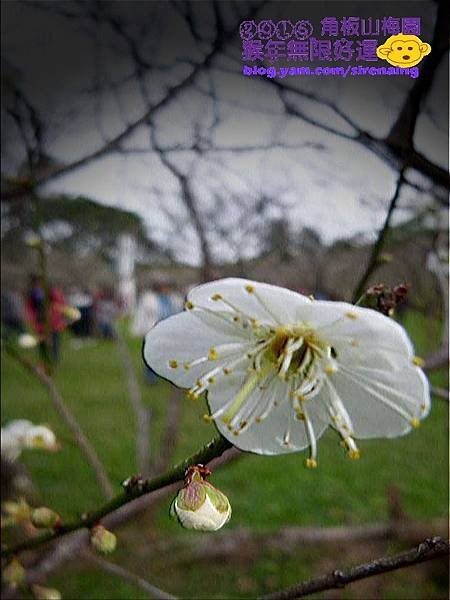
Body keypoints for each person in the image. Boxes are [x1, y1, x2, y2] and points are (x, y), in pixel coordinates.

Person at [131, 277, 183, 383]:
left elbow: (179, 314)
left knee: (169, 354)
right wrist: (139, 329)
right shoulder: (148, 299)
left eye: (167, 286)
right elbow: (141, 315)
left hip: (169, 331)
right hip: (152, 329)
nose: (165, 289)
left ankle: (169, 375)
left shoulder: (175, 299)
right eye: (163, 286)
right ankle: (150, 376)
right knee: (152, 353)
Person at [25, 275, 66, 364]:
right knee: (42, 341)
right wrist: (33, 318)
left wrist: (55, 317)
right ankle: (44, 359)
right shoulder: (32, 294)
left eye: (39, 282)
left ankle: (54, 360)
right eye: (35, 283)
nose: (37, 284)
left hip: (53, 321)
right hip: (40, 321)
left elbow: (59, 304)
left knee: (54, 340)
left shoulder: (51, 292)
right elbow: (30, 307)